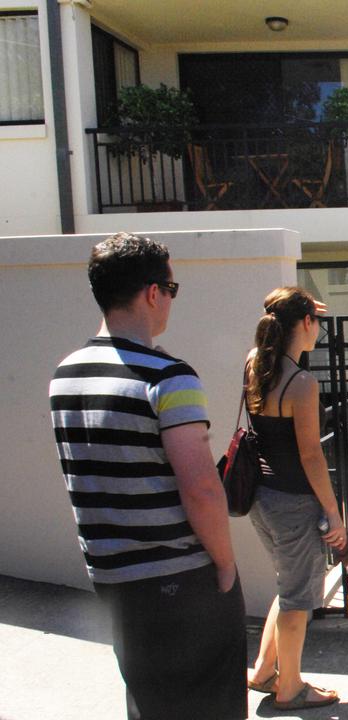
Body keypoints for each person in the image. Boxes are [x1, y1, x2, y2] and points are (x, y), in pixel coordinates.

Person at [49, 232, 246, 719]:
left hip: (112, 579)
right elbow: (201, 486)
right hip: (180, 578)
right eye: (172, 290)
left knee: (150, 704)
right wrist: (224, 565)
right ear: (153, 292)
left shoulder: (66, 374)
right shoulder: (167, 376)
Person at [243, 287, 347, 711]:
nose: (319, 329)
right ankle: (291, 688)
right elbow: (311, 455)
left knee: (289, 588)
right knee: (299, 599)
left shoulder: (254, 364)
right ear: (304, 324)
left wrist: (295, 302)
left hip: (260, 499)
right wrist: (333, 513)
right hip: (293, 502)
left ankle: (265, 671)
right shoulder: (302, 383)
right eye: (315, 321)